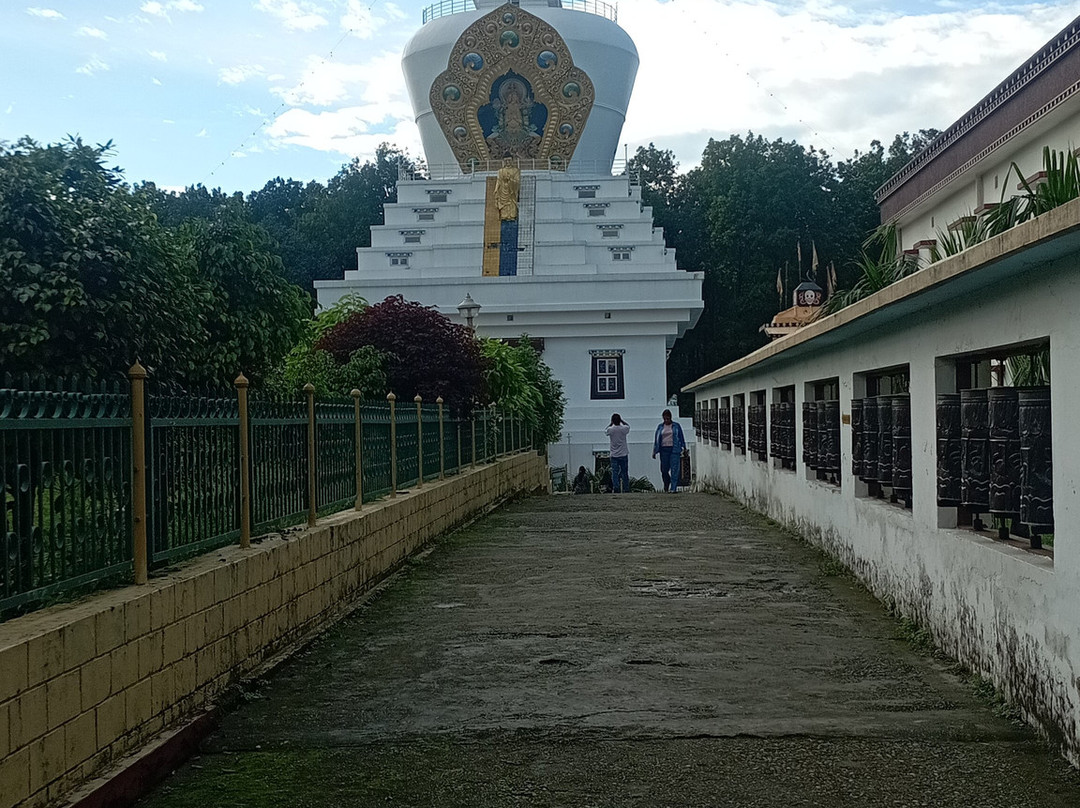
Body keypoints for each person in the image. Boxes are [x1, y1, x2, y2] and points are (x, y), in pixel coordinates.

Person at [652, 409, 686, 493]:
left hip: (674, 449)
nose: (666, 420)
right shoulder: (660, 427)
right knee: (664, 469)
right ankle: (667, 483)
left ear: (670, 418)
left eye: (668, 418)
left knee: (674, 469)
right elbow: (656, 439)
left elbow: (681, 437)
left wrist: (684, 447)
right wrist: (654, 451)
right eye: (665, 419)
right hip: (664, 449)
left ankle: (673, 488)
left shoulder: (676, 426)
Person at [605, 414, 631, 494]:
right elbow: (628, 426)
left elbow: (605, 431)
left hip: (614, 455)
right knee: (624, 472)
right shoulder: (623, 429)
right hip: (623, 453)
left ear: (613, 420)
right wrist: (622, 421)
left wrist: (610, 423)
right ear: (619, 420)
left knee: (615, 473)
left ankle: (616, 487)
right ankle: (626, 488)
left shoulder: (611, 430)